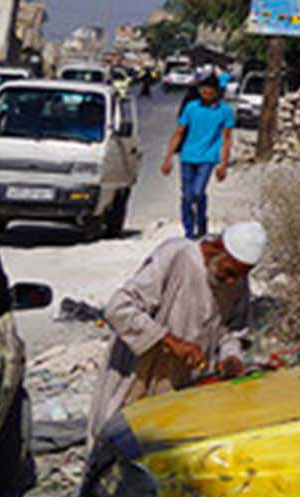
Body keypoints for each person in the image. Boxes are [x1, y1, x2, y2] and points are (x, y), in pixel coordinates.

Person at [87, 222, 263, 447]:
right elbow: (119, 308)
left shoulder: (237, 281)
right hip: (138, 373)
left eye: (238, 276)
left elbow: (233, 331)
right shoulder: (177, 255)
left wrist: (230, 357)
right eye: (229, 273)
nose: (232, 282)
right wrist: (170, 341)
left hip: (180, 386)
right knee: (115, 445)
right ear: (218, 248)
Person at [160, 72, 234, 240]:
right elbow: (179, 132)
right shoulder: (191, 107)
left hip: (208, 158)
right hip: (187, 156)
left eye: (209, 92)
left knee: (198, 192)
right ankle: (188, 231)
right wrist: (168, 158)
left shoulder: (225, 111)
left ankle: (201, 223)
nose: (206, 95)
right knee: (187, 196)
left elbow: (227, 138)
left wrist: (223, 164)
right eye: (203, 91)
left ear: (216, 92)